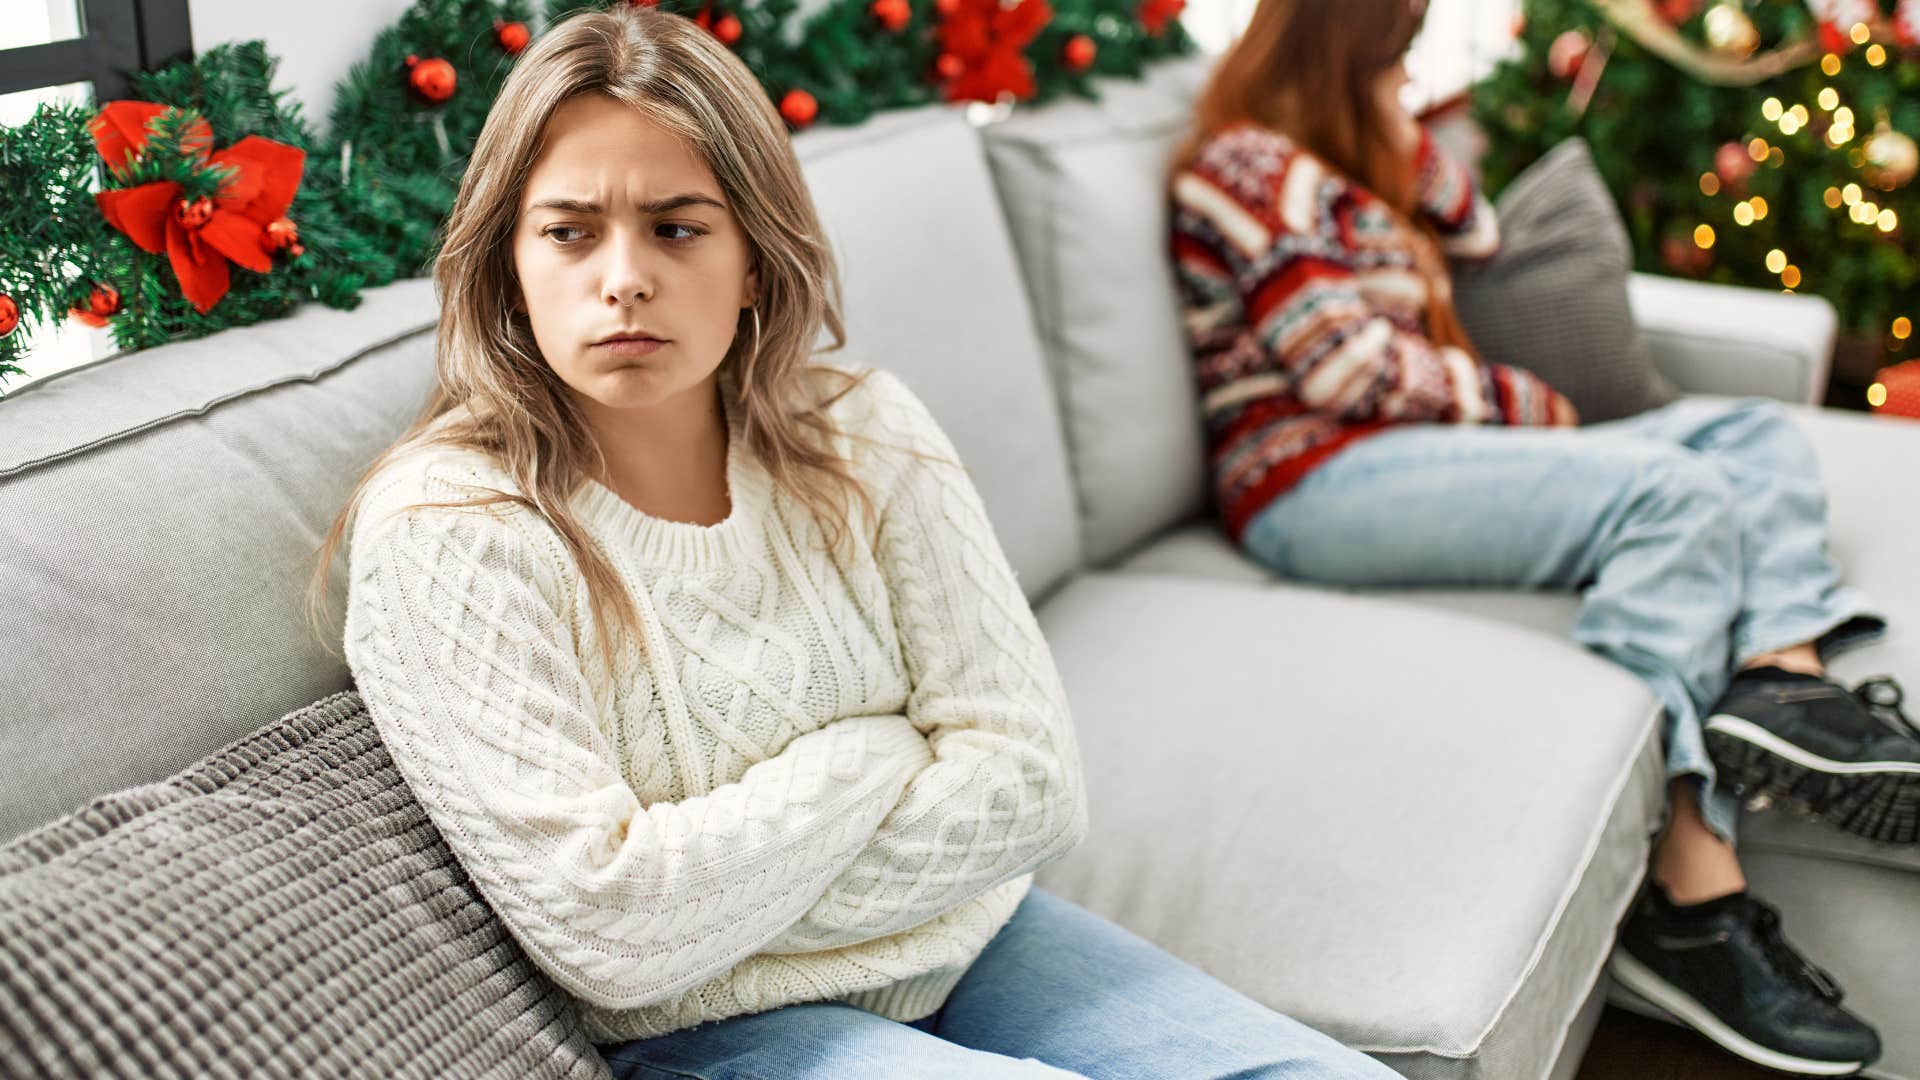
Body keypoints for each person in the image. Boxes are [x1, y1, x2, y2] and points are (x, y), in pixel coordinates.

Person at [313, 7, 1398, 1078]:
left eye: (678, 226)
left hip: (973, 943)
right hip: (715, 1031)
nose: (624, 277)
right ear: (507, 263)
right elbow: (614, 934)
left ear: (753, 260)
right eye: (570, 230)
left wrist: (720, 892)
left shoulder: (860, 427)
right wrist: (873, 755)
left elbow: (1030, 780)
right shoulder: (451, 529)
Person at [1166, 0, 1917, 1073]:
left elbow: (1476, 231)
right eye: (1394, 46)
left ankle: (1785, 677)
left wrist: (1393, 129)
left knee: (1753, 436)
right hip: (1311, 480)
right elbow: (1343, 372)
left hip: (1391, 456)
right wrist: (1527, 402)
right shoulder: (1243, 166)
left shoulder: (1356, 161)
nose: (1412, 59)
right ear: (1337, 45)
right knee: (1677, 496)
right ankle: (1688, 891)